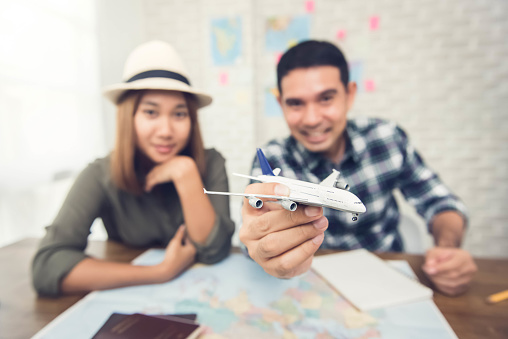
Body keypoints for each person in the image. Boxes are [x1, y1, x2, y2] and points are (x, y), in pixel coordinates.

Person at [239, 40, 476, 296]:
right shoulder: (273, 159)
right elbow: (254, 237)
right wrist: (265, 248)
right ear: (280, 103)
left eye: (326, 99)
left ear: (350, 94)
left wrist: (448, 249)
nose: (312, 119)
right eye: (296, 103)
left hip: (386, 279)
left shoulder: (387, 138)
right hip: (310, 284)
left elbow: (440, 202)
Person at [32, 41, 235, 296]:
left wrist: (185, 174)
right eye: (151, 112)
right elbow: (47, 266)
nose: (166, 131)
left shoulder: (210, 163)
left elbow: (214, 251)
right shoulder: (100, 174)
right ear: (129, 117)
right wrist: (160, 272)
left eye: (179, 114)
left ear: (192, 120)